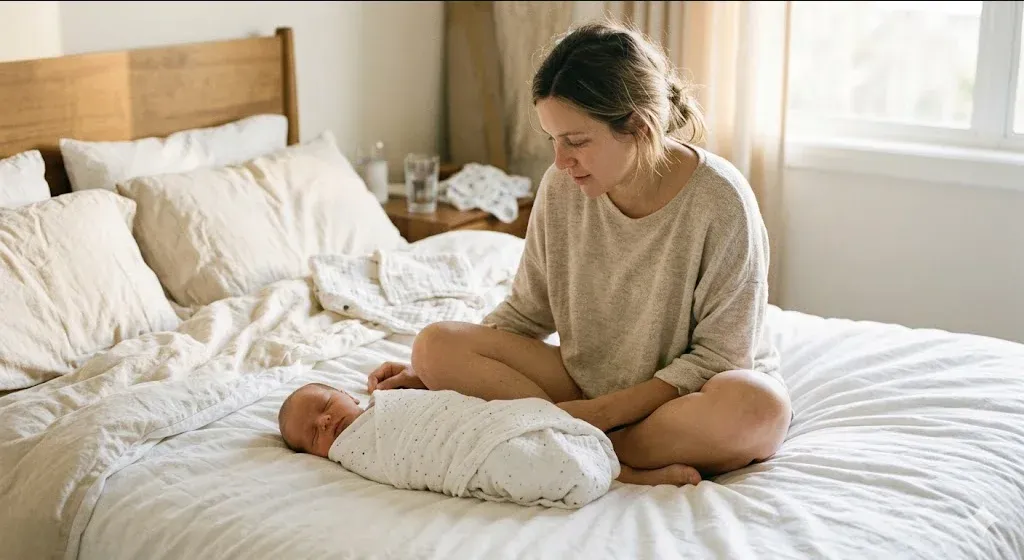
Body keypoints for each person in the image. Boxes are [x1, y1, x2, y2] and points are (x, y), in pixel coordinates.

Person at [366, 21, 792, 487]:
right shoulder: (562, 186)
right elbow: (527, 311)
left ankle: (589, 443)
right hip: (582, 382)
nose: (559, 161)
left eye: (576, 141)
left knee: (759, 409)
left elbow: (720, 357)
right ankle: (615, 457)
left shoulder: (722, 200)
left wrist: (601, 412)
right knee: (434, 343)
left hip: (677, 401)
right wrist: (429, 372)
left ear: (639, 127)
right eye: (553, 140)